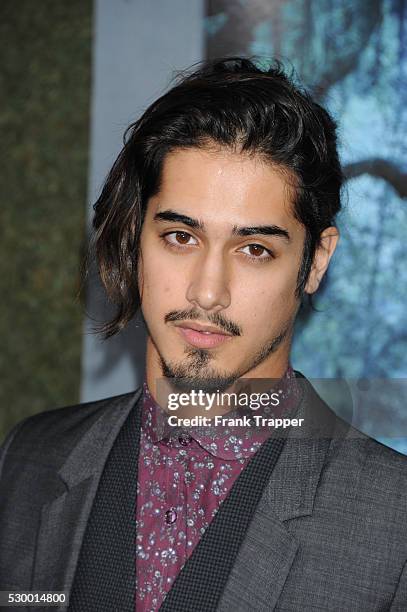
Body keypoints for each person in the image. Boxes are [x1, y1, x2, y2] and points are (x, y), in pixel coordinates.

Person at [1, 57, 406, 612]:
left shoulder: (393, 520)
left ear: (315, 262)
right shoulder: (30, 457)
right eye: (180, 237)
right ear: (134, 236)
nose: (207, 292)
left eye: (255, 249)